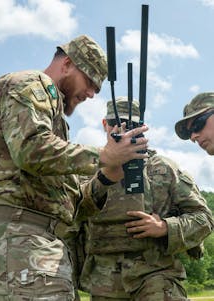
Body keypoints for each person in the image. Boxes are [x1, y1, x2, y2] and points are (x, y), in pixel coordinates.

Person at [0, 36, 149, 301]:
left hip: (37, 243)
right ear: (67, 64)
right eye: (90, 83)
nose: (90, 94)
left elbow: (74, 207)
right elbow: (32, 149)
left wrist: (108, 176)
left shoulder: (56, 122)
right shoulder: (32, 83)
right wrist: (103, 154)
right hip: (20, 239)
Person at [78, 97, 214, 301]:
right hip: (104, 284)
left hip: (157, 277)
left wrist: (165, 228)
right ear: (105, 124)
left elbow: (204, 218)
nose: (122, 129)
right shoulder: (86, 170)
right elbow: (69, 216)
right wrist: (104, 176)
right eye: (116, 122)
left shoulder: (164, 169)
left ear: (142, 128)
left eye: (130, 124)